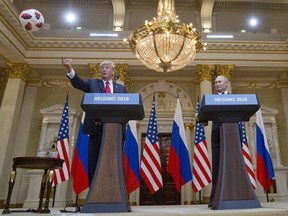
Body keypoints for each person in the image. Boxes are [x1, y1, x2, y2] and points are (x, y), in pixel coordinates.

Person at [62, 58, 128, 186]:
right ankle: (93, 192)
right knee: (95, 161)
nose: (104, 69)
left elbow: (126, 108)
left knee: (114, 162)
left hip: (116, 130)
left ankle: (115, 190)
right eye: (102, 68)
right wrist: (69, 68)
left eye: (107, 67)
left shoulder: (121, 89)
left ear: (113, 71)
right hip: (96, 129)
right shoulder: (93, 83)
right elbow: (78, 83)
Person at [208, 75, 229, 208]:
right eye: (215, 82)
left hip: (232, 139)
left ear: (226, 83)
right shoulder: (211, 100)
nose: (217, 84)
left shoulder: (235, 99)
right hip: (217, 139)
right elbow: (204, 115)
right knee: (216, 169)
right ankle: (214, 198)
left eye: (219, 81)